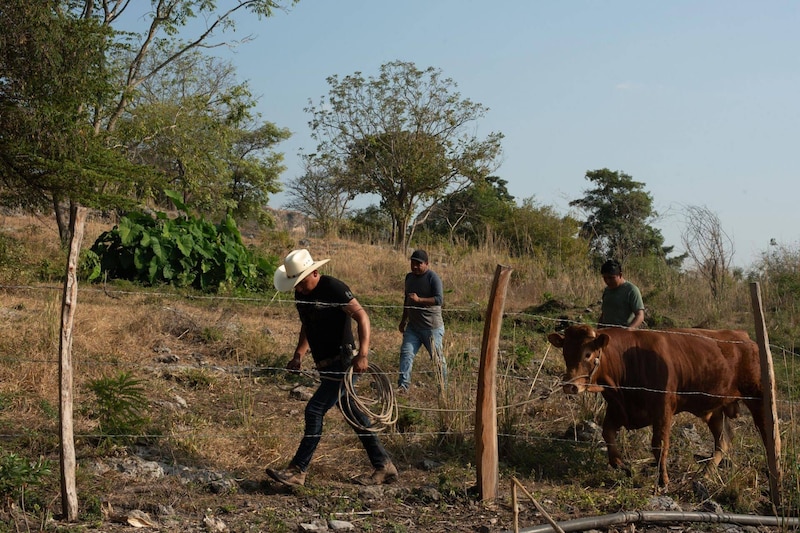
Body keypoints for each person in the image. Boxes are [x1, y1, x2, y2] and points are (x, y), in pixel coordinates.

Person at [266, 249, 397, 487]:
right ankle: (383, 465)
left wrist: (363, 354)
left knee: (314, 410)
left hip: (343, 362)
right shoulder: (301, 296)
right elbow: (307, 326)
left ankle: (298, 470)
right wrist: (299, 355)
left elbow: (362, 317)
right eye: (295, 284)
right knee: (352, 413)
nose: (298, 289)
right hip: (325, 364)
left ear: (314, 273)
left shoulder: (333, 288)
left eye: (302, 282)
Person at [397, 249, 446, 392]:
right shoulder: (409, 277)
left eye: (419, 264)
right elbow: (406, 299)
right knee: (406, 353)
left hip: (431, 328)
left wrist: (419, 300)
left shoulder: (433, 278)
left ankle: (443, 389)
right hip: (413, 326)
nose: (415, 267)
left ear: (427, 264)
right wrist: (403, 320)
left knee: (437, 359)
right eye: (413, 263)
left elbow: (439, 299)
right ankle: (403, 386)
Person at [599, 259, 645, 329]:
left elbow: (640, 315)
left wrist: (629, 329)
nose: (607, 281)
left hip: (625, 335)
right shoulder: (607, 290)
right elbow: (604, 314)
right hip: (608, 334)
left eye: (611, 278)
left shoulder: (631, 290)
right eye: (605, 278)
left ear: (620, 275)